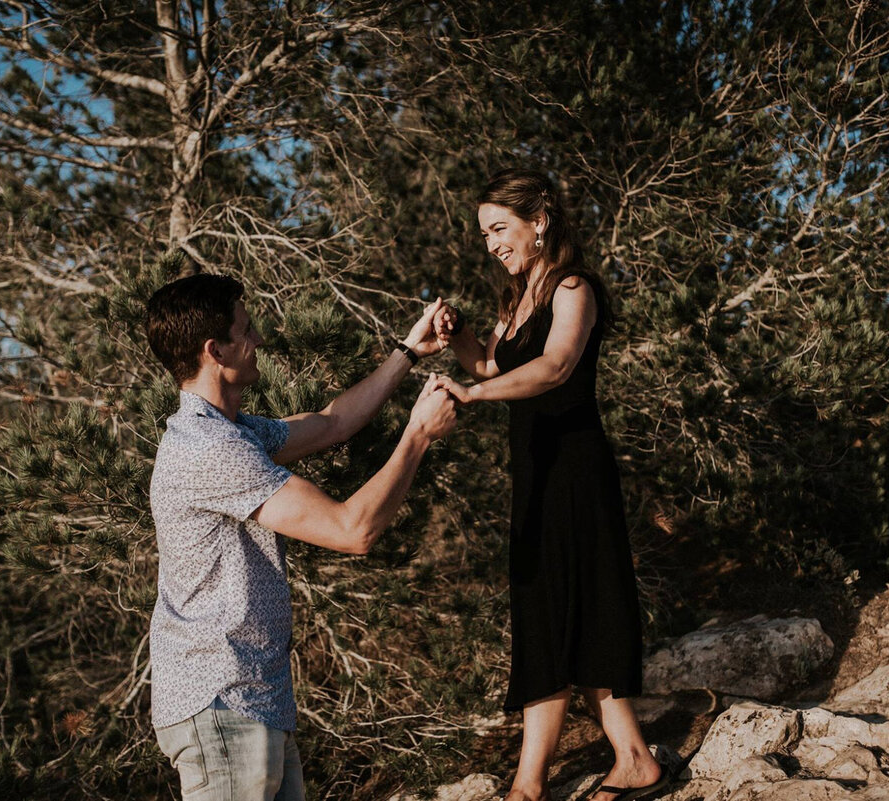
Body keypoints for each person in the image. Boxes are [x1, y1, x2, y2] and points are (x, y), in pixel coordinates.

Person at [144, 270, 457, 800]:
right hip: (221, 700)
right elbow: (352, 530)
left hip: (250, 699)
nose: (259, 339)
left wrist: (408, 351)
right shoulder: (209, 449)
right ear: (214, 349)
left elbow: (332, 423)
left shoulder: (230, 432)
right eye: (246, 330)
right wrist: (418, 435)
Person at [432, 169, 666, 801]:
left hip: (575, 474)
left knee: (561, 611)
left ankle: (527, 786)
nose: (490, 244)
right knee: (559, 612)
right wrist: (462, 341)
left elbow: (557, 366)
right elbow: (488, 364)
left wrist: (475, 392)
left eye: (499, 229)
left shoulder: (573, 288)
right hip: (534, 477)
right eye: (483, 234)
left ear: (539, 222)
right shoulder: (516, 301)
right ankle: (635, 758)